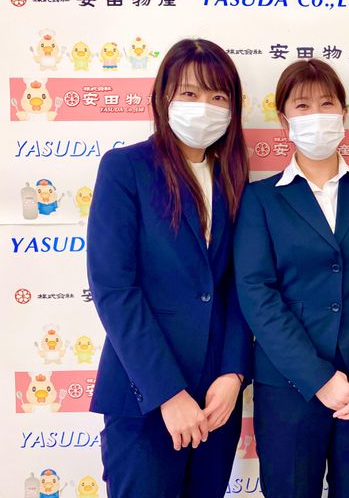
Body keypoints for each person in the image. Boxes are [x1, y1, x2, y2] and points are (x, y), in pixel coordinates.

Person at [234, 58, 349, 498]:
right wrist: (317, 377)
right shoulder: (260, 199)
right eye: (302, 105)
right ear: (283, 120)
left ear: (343, 113)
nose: (316, 115)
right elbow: (257, 294)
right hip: (289, 385)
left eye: (326, 104)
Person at [87, 39, 252, 497]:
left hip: (216, 398)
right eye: (190, 93)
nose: (205, 107)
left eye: (218, 97)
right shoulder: (125, 168)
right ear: (164, 98)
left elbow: (239, 287)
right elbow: (114, 288)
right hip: (144, 394)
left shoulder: (233, 178)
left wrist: (234, 373)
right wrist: (167, 393)